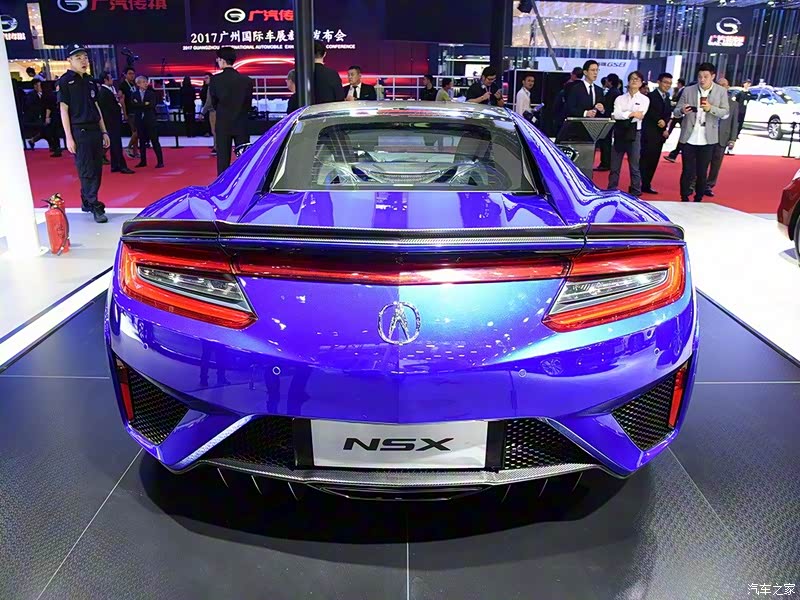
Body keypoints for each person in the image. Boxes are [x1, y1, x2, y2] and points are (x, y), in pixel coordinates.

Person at [57, 44, 110, 223]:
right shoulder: (65, 82)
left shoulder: (90, 81)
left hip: (95, 129)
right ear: (70, 60)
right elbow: (63, 110)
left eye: (85, 57)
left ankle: (87, 199)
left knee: (97, 168)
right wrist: (68, 137)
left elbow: (96, 107)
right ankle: (95, 204)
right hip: (79, 131)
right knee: (87, 170)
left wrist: (104, 131)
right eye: (78, 58)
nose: (83, 61)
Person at [674, 62, 729, 203]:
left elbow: (725, 112)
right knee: (687, 170)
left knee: (702, 171)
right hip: (689, 136)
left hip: (708, 138)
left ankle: (698, 198)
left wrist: (711, 108)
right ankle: (684, 197)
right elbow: (676, 111)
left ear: (713, 76)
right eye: (700, 76)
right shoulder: (688, 90)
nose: (702, 79)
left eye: (705, 76)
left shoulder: (721, 91)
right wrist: (682, 110)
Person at [210, 46, 254, 174]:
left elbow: (214, 103)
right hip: (241, 123)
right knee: (244, 159)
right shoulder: (246, 81)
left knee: (223, 160)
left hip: (223, 124)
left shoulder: (215, 80)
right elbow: (248, 104)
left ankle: (222, 184)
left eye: (218, 59)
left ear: (223, 60)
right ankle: (244, 183)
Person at [608, 71, 649, 197]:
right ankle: (611, 189)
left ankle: (636, 191)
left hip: (635, 133)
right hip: (620, 132)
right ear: (628, 81)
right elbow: (615, 115)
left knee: (634, 165)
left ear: (641, 83)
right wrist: (631, 113)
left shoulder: (645, 99)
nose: (634, 81)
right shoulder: (619, 98)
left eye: (637, 79)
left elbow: (640, 115)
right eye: (632, 78)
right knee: (615, 165)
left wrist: (625, 114)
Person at [704, 77, 739, 197]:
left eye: (724, 85)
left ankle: (709, 185)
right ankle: (695, 183)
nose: (721, 87)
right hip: (707, 136)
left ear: (728, 87)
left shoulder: (733, 104)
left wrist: (732, 139)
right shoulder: (708, 100)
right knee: (702, 162)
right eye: (719, 84)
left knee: (716, 165)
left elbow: (734, 123)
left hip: (722, 138)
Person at [639, 72, 673, 194]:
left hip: (660, 135)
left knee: (654, 160)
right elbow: (650, 113)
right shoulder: (650, 96)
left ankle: (647, 184)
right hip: (649, 133)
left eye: (669, 83)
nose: (667, 85)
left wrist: (665, 124)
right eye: (665, 82)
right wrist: (659, 121)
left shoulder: (667, 97)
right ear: (658, 82)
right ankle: (639, 183)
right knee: (645, 159)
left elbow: (668, 113)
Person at [97, 72, 134, 174]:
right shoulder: (104, 92)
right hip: (111, 122)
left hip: (112, 121)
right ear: (105, 80)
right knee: (116, 144)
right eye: (110, 78)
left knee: (114, 144)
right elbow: (109, 108)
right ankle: (122, 166)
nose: (112, 80)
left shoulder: (107, 90)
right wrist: (119, 104)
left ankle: (115, 165)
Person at [130, 75, 164, 169]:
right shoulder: (134, 94)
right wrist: (144, 104)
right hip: (140, 121)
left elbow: (151, 105)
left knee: (155, 141)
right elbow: (133, 105)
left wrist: (140, 104)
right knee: (142, 141)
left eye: (146, 82)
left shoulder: (151, 93)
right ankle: (143, 161)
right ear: (138, 84)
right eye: (143, 82)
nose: (145, 84)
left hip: (150, 120)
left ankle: (160, 161)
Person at [23, 80, 58, 156]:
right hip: (39, 116)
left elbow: (48, 106)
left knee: (46, 131)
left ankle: (34, 141)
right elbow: (30, 106)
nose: (39, 87)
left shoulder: (47, 95)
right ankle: (52, 147)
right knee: (46, 131)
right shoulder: (31, 95)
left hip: (47, 116)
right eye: (38, 85)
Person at [595, 73, 622, 171]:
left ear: (610, 81)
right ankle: (606, 162)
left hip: (607, 120)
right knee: (606, 141)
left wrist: (602, 111)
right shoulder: (616, 92)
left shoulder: (612, 93)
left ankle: (605, 163)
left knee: (605, 141)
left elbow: (608, 107)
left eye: (607, 80)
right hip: (611, 119)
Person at [118, 67, 139, 158]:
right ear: (125, 75)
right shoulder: (123, 85)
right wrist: (125, 113)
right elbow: (121, 100)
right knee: (136, 131)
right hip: (130, 111)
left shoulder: (134, 84)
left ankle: (135, 151)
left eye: (133, 74)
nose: (132, 75)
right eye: (130, 74)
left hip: (136, 110)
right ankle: (129, 147)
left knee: (135, 132)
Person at [664, 78, 686, 163]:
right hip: (678, 114)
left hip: (682, 115)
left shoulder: (683, 91)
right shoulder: (678, 90)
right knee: (672, 129)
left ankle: (673, 154)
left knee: (683, 135)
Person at [199, 72, 216, 153]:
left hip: (213, 112)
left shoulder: (211, 88)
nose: (205, 80)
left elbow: (208, 101)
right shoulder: (216, 87)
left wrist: (202, 113)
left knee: (214, 130)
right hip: (217, 111)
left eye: (206, 78)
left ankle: (216, 147)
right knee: (216, 130)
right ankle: (216, 146)